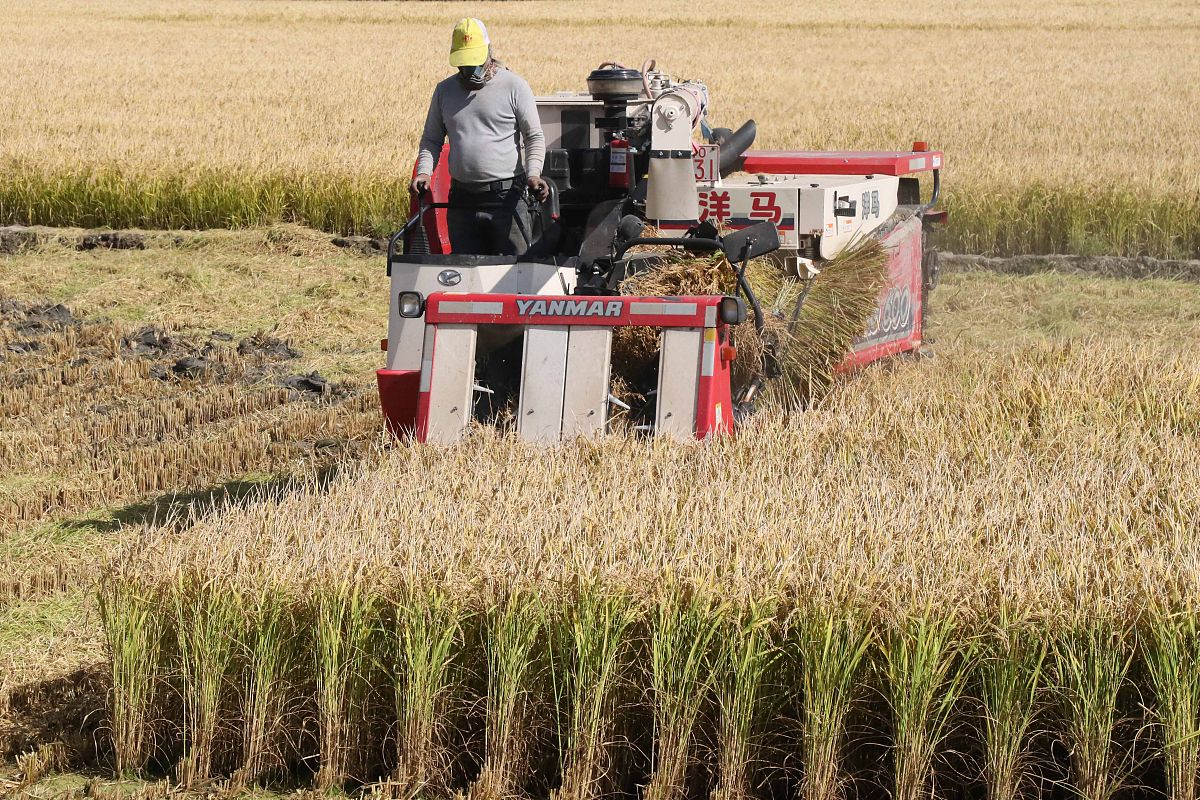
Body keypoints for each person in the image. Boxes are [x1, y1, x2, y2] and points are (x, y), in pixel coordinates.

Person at [413, 18, 549, 256]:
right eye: (463, 64)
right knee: (465, 275)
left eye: (473, 62)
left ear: (488, 52)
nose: (468, 70)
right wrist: (424, 172)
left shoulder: (514, 86)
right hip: (461, 201)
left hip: (506, 198)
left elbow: (534, 136)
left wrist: (534, 174)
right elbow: (431, 140)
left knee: (514, 274)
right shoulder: (444, 91)